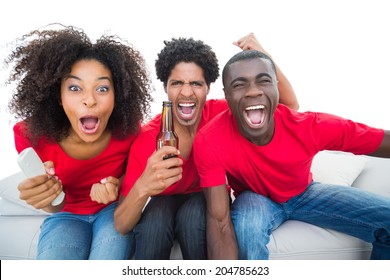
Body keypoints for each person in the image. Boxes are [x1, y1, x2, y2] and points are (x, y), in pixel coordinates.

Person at [114, 33, 298, 259]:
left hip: (207, 198)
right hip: (163, 203)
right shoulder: (149, 138)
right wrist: (143, 187)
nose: (187, 92)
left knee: (193, 216)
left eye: (196, 83)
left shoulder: (220, 115)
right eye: (177, 83)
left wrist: (263, 57)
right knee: (156, 218)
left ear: (208, 88)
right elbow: (121, 224)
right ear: (165, 87)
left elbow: (289, 108)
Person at [193, 49, 390, 260]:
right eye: (239, 85)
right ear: (226, 94)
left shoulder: (308, 127)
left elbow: (377, 140)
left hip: (304, 193)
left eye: (264, 81)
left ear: (277, 87)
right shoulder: (210, 139)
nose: (252, 92)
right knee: (247, 231)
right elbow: (220, 222)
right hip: (254, 198)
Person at [5, 24, 153, 259]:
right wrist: (46, 197)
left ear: (117, 96)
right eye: (75, 88)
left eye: (102, 88)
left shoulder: (130, 131)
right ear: (59, 97)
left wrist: (117, 186)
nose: (89, 100)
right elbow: (54, 206)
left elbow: (134, 177)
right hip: (65, 214)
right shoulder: (29, 134)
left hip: (112, 211)